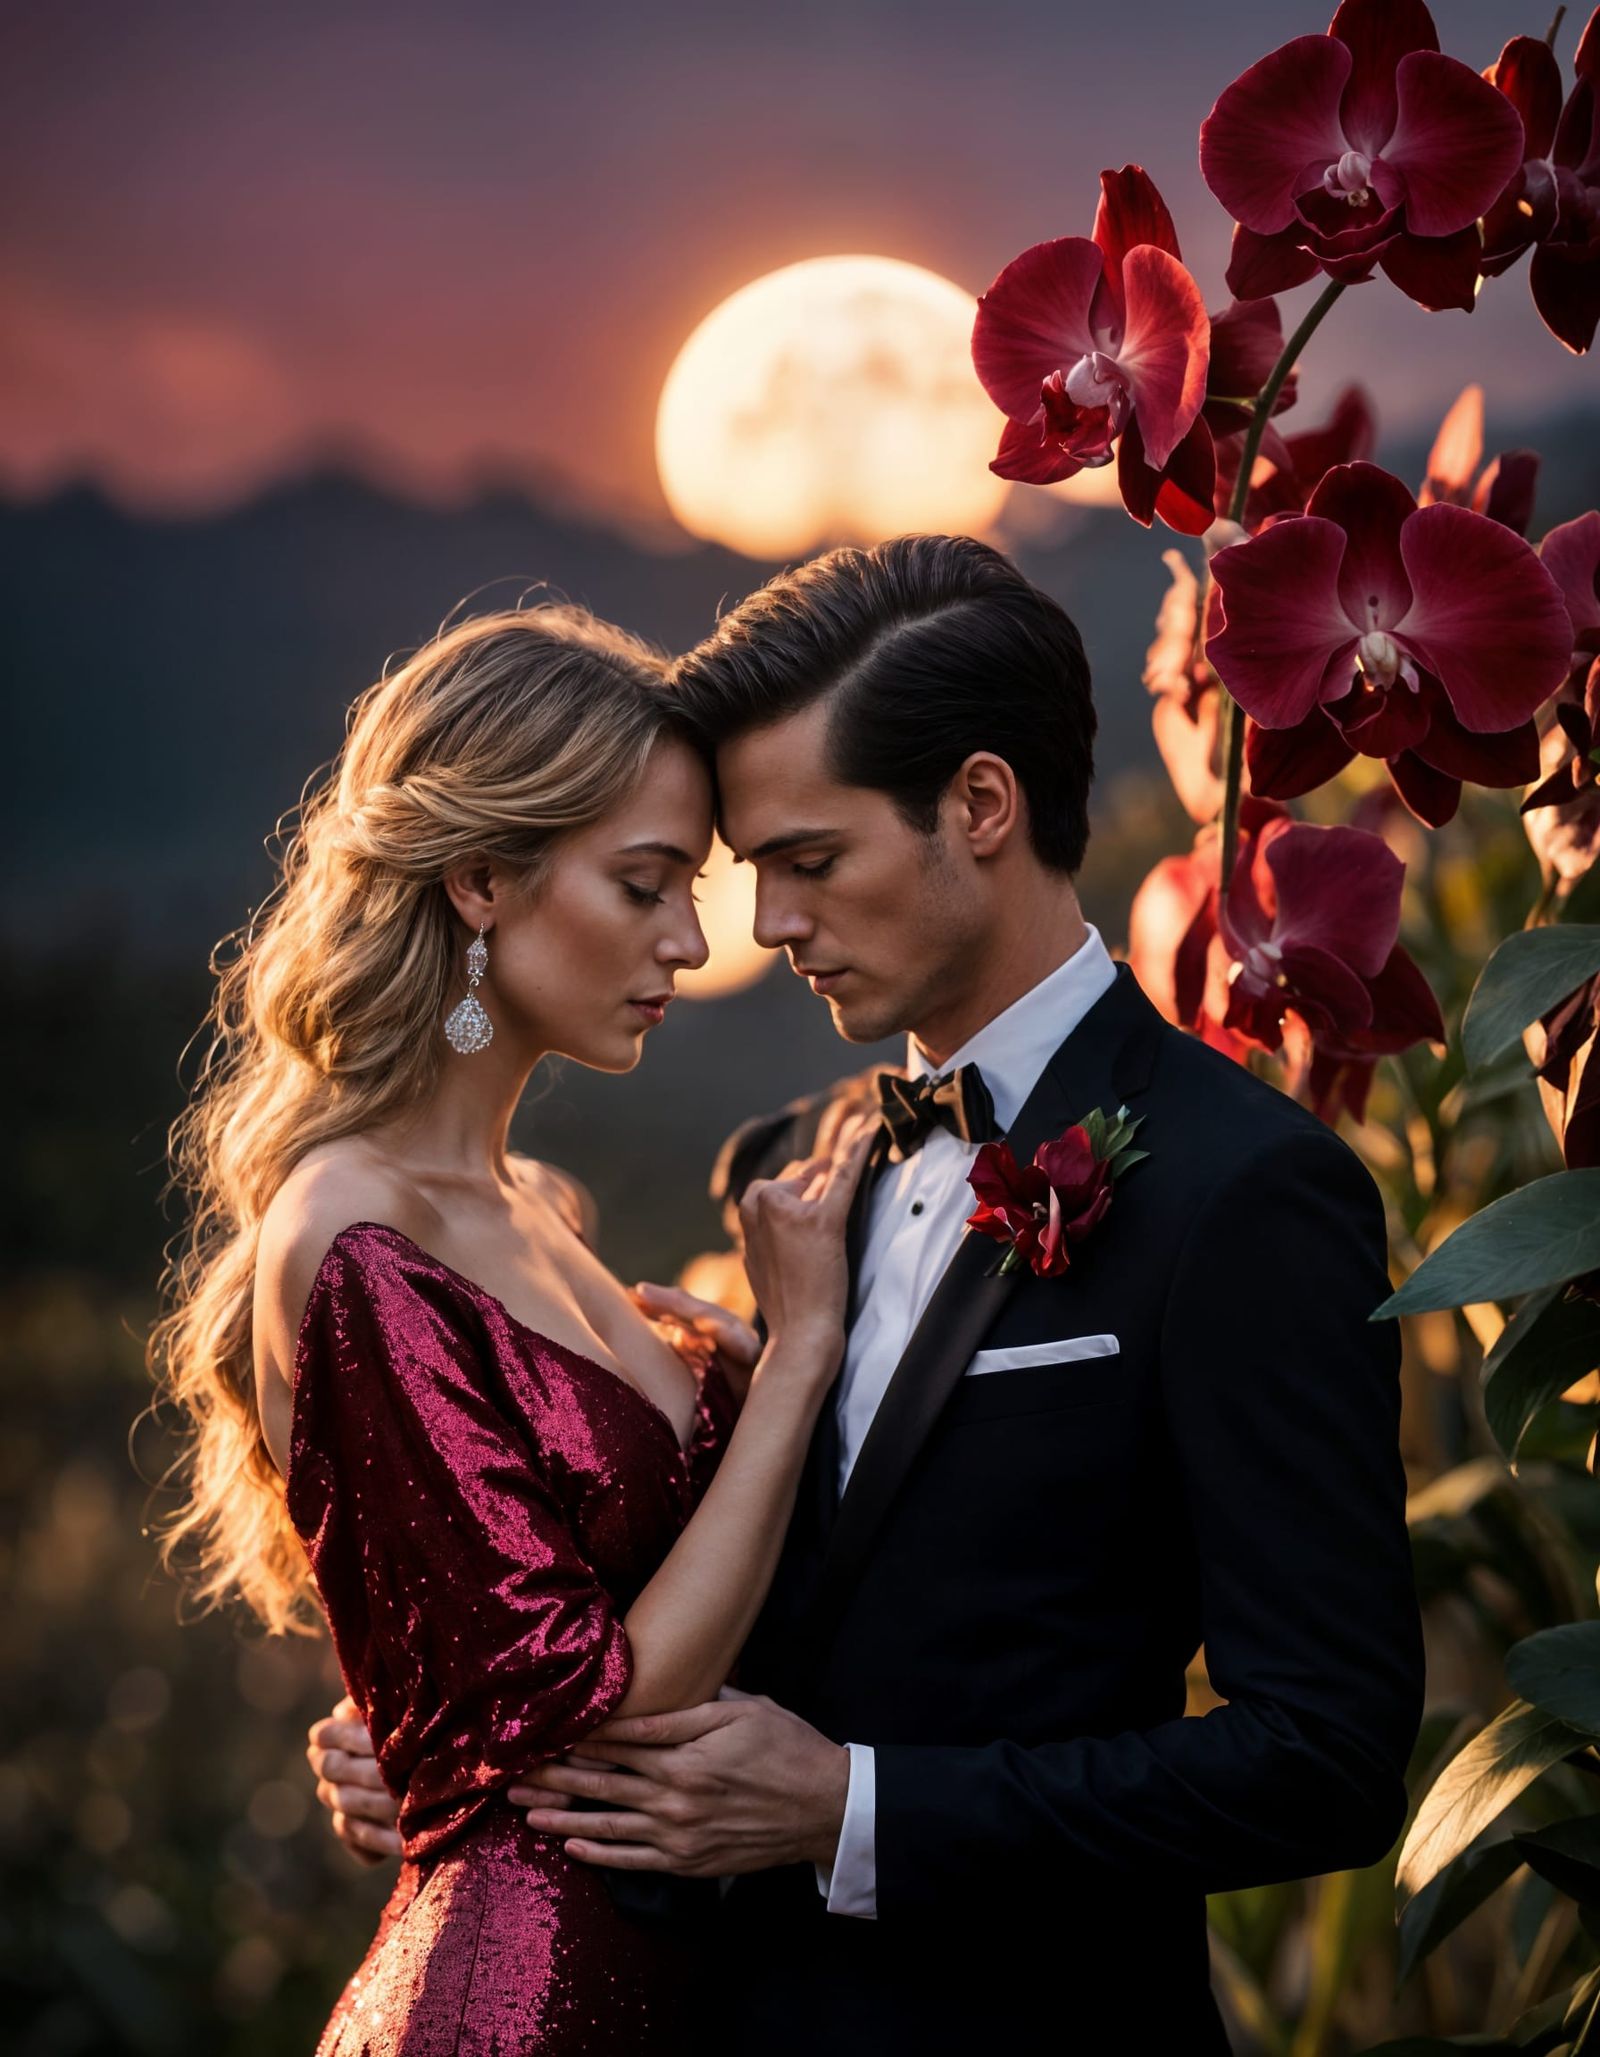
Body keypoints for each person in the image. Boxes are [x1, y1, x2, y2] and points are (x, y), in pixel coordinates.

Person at [309, 537, 1426, 2051]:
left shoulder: (1246, 1195)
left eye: (807, 861)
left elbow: (1328, 1754)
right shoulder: (789, 1165)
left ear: (979, 806)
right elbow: (689, 1593)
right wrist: (456, 1730)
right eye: (745, 866)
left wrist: (857, 1809)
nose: (763, 925)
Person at [150, 604, 872, 2054]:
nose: (690, 939)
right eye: (644, 883)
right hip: (515, 2011)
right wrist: (794, 1363)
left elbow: (482, 1648)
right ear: (481, 877)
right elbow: (582, 1708)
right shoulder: (358, 1241)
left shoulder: (533, 1204)